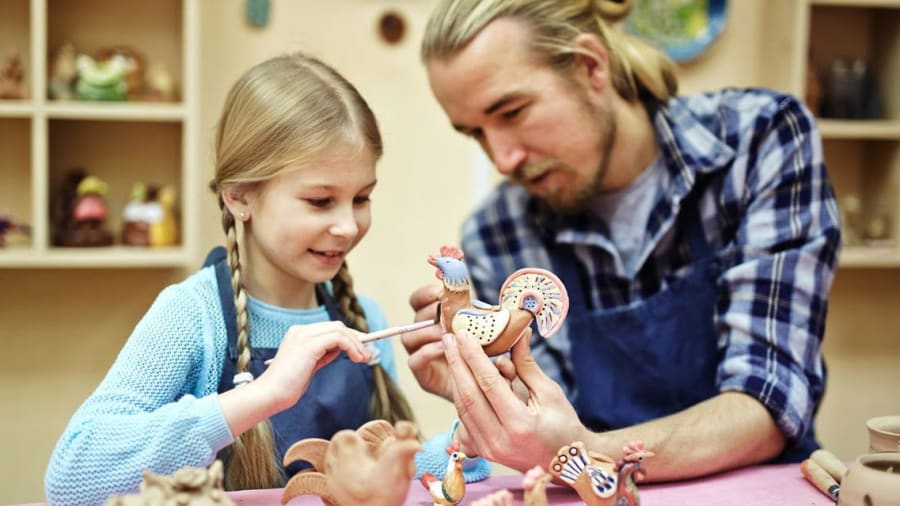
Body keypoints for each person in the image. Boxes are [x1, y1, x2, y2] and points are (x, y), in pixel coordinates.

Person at [403, 0, 841, 482]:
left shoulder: (758, 142)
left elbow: (767, 403)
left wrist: (585, 453)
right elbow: (549, 412)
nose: (502, 160)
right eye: (475, 133)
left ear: (591, 66)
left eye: (511, 111)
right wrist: (488, 388)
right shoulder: (498, 230)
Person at [44, 52, 486, 506]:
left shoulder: (364, 318)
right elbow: (72, 476)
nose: (348, 226)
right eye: (319, 201)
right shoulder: (192, 316)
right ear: (239, 197)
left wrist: (468, 436)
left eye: (361, 198)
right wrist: (264, 395)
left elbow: (384, 478)